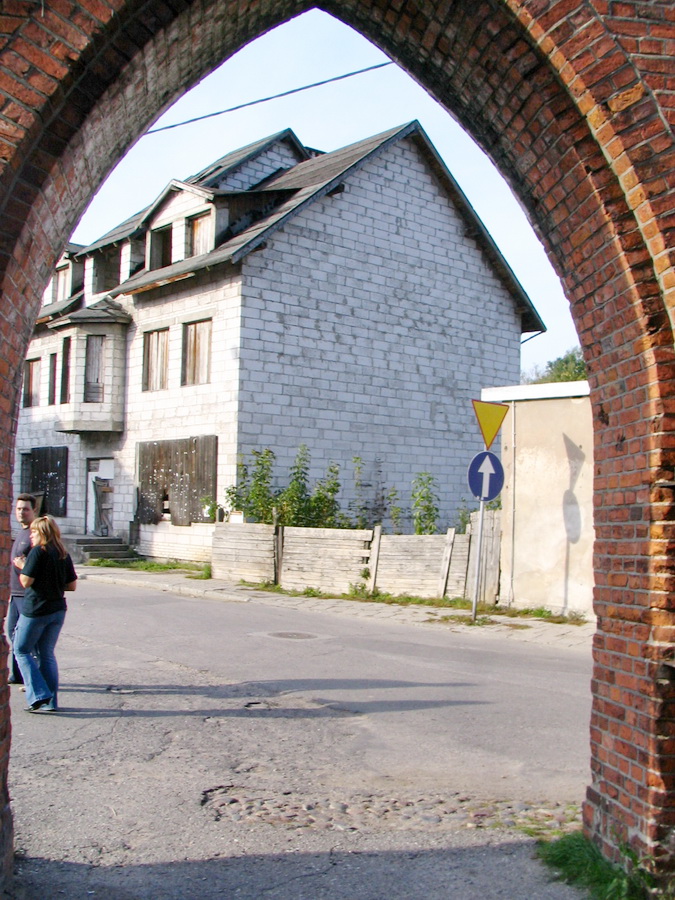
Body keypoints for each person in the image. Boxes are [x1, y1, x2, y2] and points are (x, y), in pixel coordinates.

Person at [14, 516, 77, 712]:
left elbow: (26, 581)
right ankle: (50, 702)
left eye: (34, 532)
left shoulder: (38, 552)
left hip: (36, 609)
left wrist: (22, 566)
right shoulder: (62, 553)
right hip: (57, 609)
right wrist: (52, 582)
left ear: (42, 533)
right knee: (46, 654)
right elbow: (72, 585)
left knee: (21, 650)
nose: (31, 535)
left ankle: (38, 695)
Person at [7, 494, 37, 685]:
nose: (21, 513)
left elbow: (37, 566)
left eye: (25, 509)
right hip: (15, 593)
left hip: (27, 594)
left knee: (26, 639)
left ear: (34, 510)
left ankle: (32, 677)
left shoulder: (34, 534)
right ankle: (18, 674)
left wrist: (24, 566)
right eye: (18, 509)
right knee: (13, 633)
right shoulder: (21, 533)